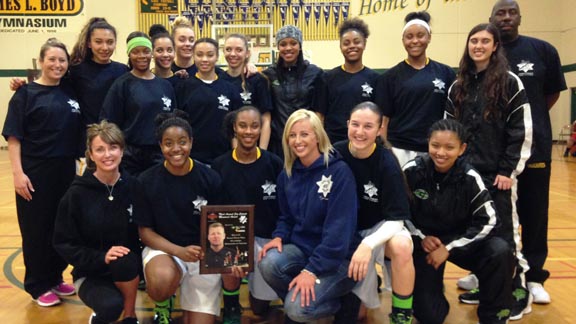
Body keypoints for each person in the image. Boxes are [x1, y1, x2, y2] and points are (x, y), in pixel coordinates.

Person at [478, 0, 566, 304]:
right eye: (499, 13)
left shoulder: (543, 51)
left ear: (519, 17)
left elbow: (550, 95)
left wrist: (530, 121)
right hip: (493, 153)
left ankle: (533, 277)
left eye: (510, 12)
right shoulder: (485, 53)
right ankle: (488, 271)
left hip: (535, 148)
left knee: (534, 214)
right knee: (494, 215)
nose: (505, 18)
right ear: (490, 19)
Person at [445, 23, 533, 320]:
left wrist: (508, 170)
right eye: (474, 40)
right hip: (466, 177)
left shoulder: (510, 83)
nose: (478, 46)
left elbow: (520, 130)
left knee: (505, 238)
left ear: (495, 46)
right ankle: (488, 287)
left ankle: (518, 292)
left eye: (485, 41)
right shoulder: (458, 85)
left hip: (499, 177)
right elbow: (448, 130)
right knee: (476, 234)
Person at [403, 119, 514, 324]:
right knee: (429, 317)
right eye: (435, 145)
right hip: (427, 245)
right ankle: (433, 291)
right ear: (428, 144)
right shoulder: (412, 171)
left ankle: (494, 317)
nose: (441, 153)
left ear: (462, 149)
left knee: (500, 251)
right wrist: (420, 237)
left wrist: (450, 248)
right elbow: (399, 213)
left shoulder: (470, 177)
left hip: (462, 241)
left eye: (449, 147)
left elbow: (489, 221)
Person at [258, 109, 359, 323]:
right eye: (292, 135)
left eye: (304, 134)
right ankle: (308, 300)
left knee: (295, 311)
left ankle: (341, 304)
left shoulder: (339, 173)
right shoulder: (288, 174)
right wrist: (279, 236)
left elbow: (338, 233)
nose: (298, 141)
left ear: (317, 136)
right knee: (268, 262)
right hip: (304, 249)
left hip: (340, 260)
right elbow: (286, 217)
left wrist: (311, 271)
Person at [2, 38, 81, 307]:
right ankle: (37, 285)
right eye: (52, 59)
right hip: (35, 172)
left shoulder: (70, 92)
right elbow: (14, 137)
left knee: (60, 228)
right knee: (36, 230)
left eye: (62, 60)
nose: (57, 64)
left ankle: (55, 277)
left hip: (65, 172)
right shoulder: (25, 94)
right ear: (41, 61)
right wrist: (17, 174)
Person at [133, 111, 223, 324]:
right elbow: (145, 233)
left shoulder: (210, 178)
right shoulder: (145, 181)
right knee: (162, 280)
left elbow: (221, 223)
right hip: (165, 250)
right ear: (160, 145)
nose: (176, 149)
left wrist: (215, 252)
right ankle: (163, 303)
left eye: (182, 142)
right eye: (168, 143)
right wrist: (178, 251)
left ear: (191, 142)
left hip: (202, 253)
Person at [333, 102, 414, 324]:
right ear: (347, 124)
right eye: (355, 124)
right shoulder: (334, 153)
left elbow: (397, 219)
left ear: (379, 130)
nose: (360, 132)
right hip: (347, 231)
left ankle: (401, 313)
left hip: (379, 228)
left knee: (402, 246)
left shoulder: (387, 162)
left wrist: (367, 244)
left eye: (368, 126)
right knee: (357, 316)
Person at [54, 121, 141, 324]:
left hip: (127, 269)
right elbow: (63, 244)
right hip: (90, 272)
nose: (107, 155)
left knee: (125, 258)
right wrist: (101, 257)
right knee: (110, 307)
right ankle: (101, 315)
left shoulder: (134, 187)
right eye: (100, 149)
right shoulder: (76, 194)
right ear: (91, 155)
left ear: (122, 150)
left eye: (113, 147)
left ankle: (130, 316)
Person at [212, 106, 284, 318]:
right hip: (234, 239)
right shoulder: (219, 165)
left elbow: (284, 209)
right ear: (234, 128)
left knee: (260, 309)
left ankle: (264, 290)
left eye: (254, 126)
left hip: (265, 240)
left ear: (261, 129)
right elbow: (215, 214)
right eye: (243, 126)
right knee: (229, 262)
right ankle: (232, 305)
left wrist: (279, 236)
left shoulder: (274, 163)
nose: (249, 132)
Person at [375, 11, 456, 167]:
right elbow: (383, 121)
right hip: (399, 149)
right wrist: (387, 150)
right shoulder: (390, 77)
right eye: (409, 36)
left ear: (429, 37)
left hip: (435, 150)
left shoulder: (446, 73)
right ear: (403, 40)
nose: (415, 41)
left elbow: (454, 115)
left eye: (420, 35)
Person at [100, 31, 176, 176]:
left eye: (146, 51)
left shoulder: (165, 86)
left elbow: (173, 122)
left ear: (151, 53)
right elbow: (109, 122)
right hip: (130, 157)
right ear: (129, 55)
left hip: (159, 155)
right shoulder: (122, 84)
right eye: (136, 52)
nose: (141, 56)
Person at [174, 37, 242, 165]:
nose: (204, 59)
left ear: (217, 57)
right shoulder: (183, 87)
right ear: (194, 56)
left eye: (210, 55)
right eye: (199, 55)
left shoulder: (230, 89)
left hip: (223, 159)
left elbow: (235, 130)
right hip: (192, 160)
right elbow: (178, 127)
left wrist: (236, 157)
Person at [263, 25, 324, 158]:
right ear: (278, 47)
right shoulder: (269, 74)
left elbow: (319, 113)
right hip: (278, 144)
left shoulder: (315, 73)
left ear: (300, 46)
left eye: (293, 43)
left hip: (305, 143)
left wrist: (318, 142)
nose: (288, 48)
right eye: (283, 44)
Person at [322, 18, 379, 144]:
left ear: (364, 44)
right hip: (333, 143)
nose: (352, 46)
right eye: (346, 43)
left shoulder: (375, 79)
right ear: (341, 46)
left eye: (356, 42)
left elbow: (379, 116)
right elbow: (320, 115)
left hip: (364, 141)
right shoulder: (328, 78)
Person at [220, 34, 273, 149]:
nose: (233, 54)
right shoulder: (219, 79)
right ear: (223, 52)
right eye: (228, 49)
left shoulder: (258, 80)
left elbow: (266, 119)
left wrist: (262, 152)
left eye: (238, 50)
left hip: (252, 150)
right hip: (223, 151)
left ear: (247, 53)